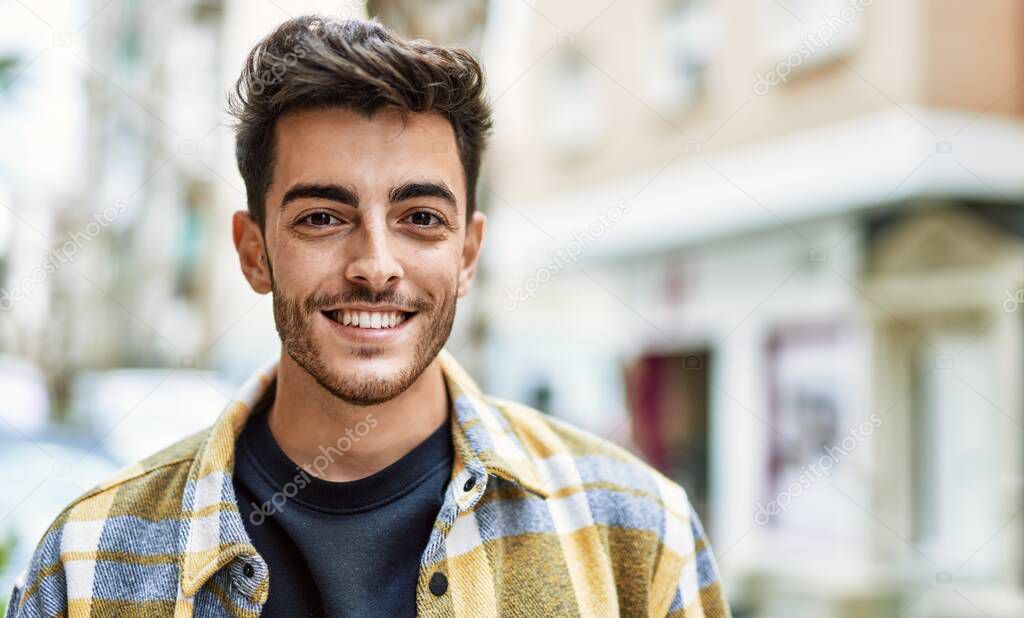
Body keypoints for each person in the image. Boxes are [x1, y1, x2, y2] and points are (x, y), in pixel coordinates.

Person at [7, 16, 730, 617]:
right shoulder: (89, 560)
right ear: (254, 252)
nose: (376, 264)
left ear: (469, 254)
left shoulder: (634, 533)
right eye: (323, 216)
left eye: (419, 217)